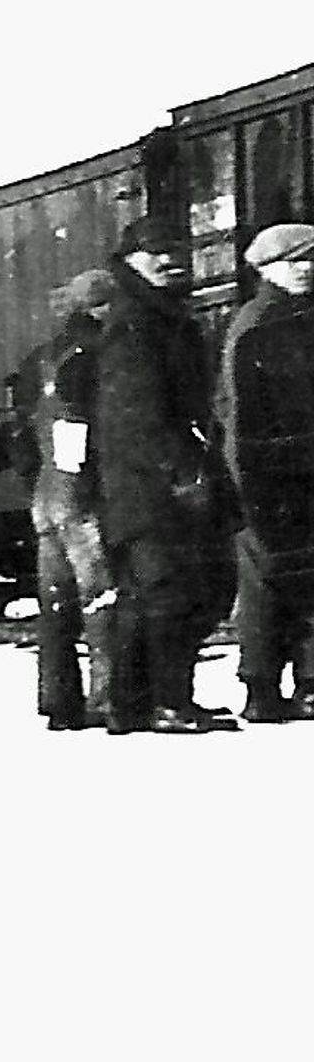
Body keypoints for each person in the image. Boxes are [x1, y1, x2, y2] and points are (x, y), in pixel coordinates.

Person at [91, 218, 237, 732]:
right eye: (155, 252)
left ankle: (139, 704)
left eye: (176, 249)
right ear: (130, 259)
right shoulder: (137, 324)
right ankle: (166, 703)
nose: (170, 260)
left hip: (146, 484)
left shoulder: (153, 317)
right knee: (169, 594)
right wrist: (183, 473)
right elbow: (140, 416)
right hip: (152, 487)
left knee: (160, 594)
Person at [224, 221, 314, 720]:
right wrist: (252, 485)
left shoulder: (293, 318)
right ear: (267, 269)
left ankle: (290, 684)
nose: (307, 269)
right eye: (295, 261)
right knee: (268, 581)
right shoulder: (259, 326)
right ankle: (266, 688)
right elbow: (242, 415)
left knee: (285, 578)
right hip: (273, 472)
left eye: (311, 259)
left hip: (293, 468)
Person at [24, 269, 118, 730]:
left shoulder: (45, 356)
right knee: (100, 596)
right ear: (98, 308)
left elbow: (25, 433)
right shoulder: (97, 356)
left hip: (47, 491)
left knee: (56, 604)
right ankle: (106, 697)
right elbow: (80, 427)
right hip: (78, 493)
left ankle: (58, 701)